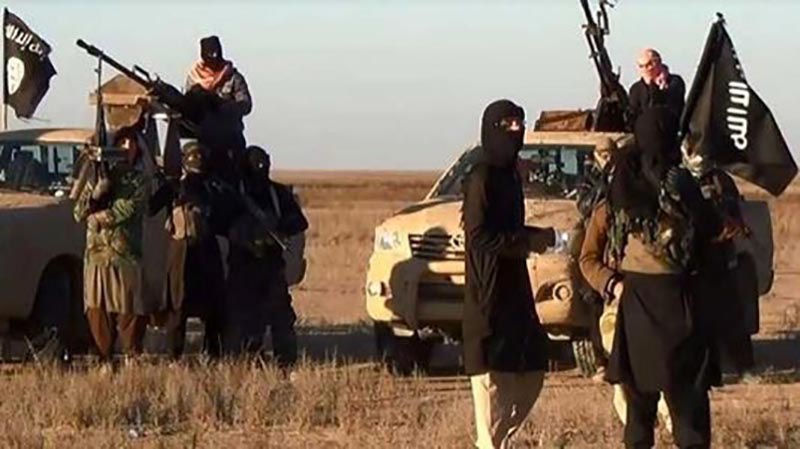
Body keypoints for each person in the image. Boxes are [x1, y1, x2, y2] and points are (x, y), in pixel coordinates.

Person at [580, 107, 722, 448]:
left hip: (648, 309)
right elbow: (589, 258)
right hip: (668, 307)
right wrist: (612, 284)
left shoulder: (628, 189)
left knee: (652, 417)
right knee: (676, 417)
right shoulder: (671, 187)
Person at [462, 99, 558, 449]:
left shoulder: (509, 176)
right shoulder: (482, 177)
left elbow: (505, 228)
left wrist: (534, 236)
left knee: (532, 370)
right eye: (508, 124)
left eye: (520, 123)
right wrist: (526, 241)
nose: (517, 130)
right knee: (491, 384)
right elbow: (478, 235)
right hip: (488, 291)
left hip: (515, 288)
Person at [224, 146, 308, 369]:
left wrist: (277, 226)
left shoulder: (277, 194)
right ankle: (251, 360)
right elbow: (220, 222)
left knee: (281, 317)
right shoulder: (234, 194)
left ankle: (285, 363)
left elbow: (299, 222)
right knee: (247, 318)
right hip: (243, 265)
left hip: (270, 265)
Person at [73, 126, 150, 365]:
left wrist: (99, 216)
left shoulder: (139, 180)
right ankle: (103, 359)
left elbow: (129, 208)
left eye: (132, 144)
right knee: (98, 311)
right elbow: (78, 212)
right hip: (97, 256)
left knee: (129, 311)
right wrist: (95, 194)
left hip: (124, 255)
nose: (127, 148)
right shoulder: (97, 177)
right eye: (122, 143)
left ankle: (131, 356)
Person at [149, 142, 227, 359]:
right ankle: (174, 354)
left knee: (213, 303)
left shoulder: (213, 187)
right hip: (181, 250)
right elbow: (150, 208)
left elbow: (224, 216)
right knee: (177, 304)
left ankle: (213, 352)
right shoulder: (174, 187)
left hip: (206, 249)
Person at [684, 149, 757, 380]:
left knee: (732, 315)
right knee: (693, 320)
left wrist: (732, 227)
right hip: (691, 259)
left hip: (721, 258)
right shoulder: (678, 177)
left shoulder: (720, 180)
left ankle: (745, 368)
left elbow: (734, 211)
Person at [185, 35, 253, 182]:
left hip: (231, 138)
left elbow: (246, 105)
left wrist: (223, 106)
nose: (214, 59)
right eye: (210, 55)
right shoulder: (194, 78)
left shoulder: (233, 77)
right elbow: (187, 108)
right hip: (204, 139)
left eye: (216, 54)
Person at [628, 49, 685, 126]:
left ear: (658, 63)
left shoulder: (674, 81)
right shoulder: (636, 89)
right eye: (641, 66)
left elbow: (669, 105)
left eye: (649, 64)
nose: (645, 69)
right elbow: (634, 113)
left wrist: (652, 86)